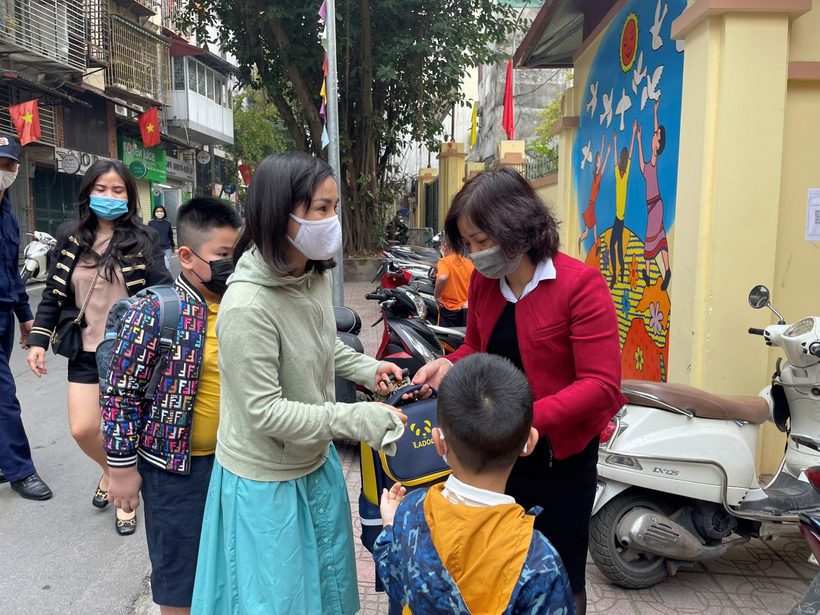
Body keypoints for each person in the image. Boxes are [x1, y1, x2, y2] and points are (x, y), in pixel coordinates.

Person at [190, 153, 407, 615]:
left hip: (314, 463)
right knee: (280, 601)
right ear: (278, 213)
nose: (332, 222)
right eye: (320, 209)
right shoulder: (247, 306)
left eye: (334, 208)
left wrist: (368, 371)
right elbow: (264, 412)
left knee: (326, 595)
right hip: (266, 483)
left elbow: (320, 344)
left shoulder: (309, 274)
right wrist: (357, 418)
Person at [412, 166, 626, 615]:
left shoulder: (579, 285)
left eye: (482, 241)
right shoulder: (486, 284)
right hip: (496, 455)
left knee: (561, 572)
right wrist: (445, 366)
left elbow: (602, 386)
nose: (475, 254)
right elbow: (476, 345)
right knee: (498, 564)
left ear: (517, 227)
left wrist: (535, 419)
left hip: (558, 458)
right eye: (468, 245)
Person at [100, 197, 241, 613]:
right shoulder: (157, 311)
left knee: (228, 564)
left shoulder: (240, 306)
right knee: (180, 575)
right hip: (176, 473)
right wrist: (120, 470)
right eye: (223, 256)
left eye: (237, 255)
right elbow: (119, 394)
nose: (231, 266)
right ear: (186, 255)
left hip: (236, 464)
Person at [26, 159, 171, 534]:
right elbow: (53, 297)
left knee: (125, 428)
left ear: (129, 196)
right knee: (83, 428)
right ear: (88, 193)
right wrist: (38, 341)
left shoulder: (144, 239)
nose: (109, 196)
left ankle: (125, 505)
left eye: (118, 190)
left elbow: (163, 291)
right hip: (86, 349)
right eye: (102, 189)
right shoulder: (70, 237)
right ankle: (115, 474)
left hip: (131, 352)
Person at [375, 353, 575, 614]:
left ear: (438, 441)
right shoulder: (541, 562)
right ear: (530, 442)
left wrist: (390, 526)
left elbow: (395, 578)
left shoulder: (410, 512)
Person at [0, 134, 52, 501]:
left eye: (8, 165)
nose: (4, 172)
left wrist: (24, 315)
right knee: (4, 394)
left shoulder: (9, 217)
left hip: (5, 310)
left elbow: (12, 271)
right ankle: (21, 469)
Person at [635, 99, 671, 291]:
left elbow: (656, 133)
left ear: (657, 146)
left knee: (652, 237)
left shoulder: (655, 159)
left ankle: (651, 273)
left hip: (656, 205)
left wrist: (656, 113)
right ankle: (663, 270)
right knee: (660, 237)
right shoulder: (649, 166)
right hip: (653, 206)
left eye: (655, 136)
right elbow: (641, 163)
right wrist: (639, 140)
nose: (654, 136)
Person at [610, 124, 636, 288]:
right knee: (618, 245)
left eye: (621, 158)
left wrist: (633, 134)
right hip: (619, 217)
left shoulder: (623, 175)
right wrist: (615, 141)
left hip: (620, 217)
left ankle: (615, 275)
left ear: (622, 160)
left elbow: (630, 152)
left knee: (613, 245)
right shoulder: (620, 174)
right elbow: (618, 156)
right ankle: (622, 270)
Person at [578, 134, 611, 256]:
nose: (599, 160)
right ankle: (586, 241)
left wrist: (602, 147)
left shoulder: (595, 176)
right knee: (592, 227)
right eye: (599, 159)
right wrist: (607, 153)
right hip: (591, 205)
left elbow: (600, 161)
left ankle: (589, 243)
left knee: (590, 229)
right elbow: (602, 164)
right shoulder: (597, 176)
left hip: (591, 205)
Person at [434, 238, 474, 327]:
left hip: (449, 308)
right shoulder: (469, 263)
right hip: (466, 308)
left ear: (446, 246)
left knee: (446, 339)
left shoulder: (445, 261)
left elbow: (442, 278)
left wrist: (437, 296)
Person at [148, 205, 175, 272]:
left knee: (167, 266)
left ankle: (168, 282)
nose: (159, 213)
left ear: (164, 212)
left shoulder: (167, 223)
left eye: (161, 211)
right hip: (155, 249)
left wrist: (173, 246)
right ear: (154, 213)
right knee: (155, 266)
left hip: (166, 249)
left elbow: (170, 235)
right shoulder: (151, 223)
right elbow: (148, 236)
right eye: (157, 211)